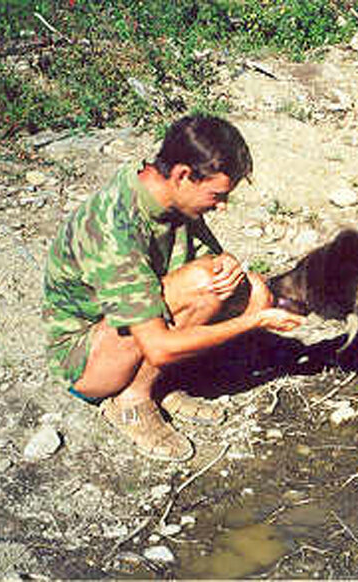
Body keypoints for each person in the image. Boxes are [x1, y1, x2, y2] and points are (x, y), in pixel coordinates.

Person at [42, 114, 304, 462]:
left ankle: (159, 385)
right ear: (182, 175)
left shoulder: (171, 199)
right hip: (86, 362)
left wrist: (227, 262)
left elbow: (210, 263)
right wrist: (254, 322)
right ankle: (132, 400)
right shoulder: (116, 225)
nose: (222, 206)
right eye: (216, 195)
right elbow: (160, 347)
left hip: (134, 328)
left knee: (253, 291)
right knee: (205, 285)